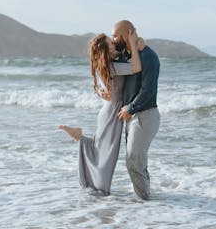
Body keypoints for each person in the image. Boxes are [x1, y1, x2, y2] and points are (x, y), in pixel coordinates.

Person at [58, 29, 144, 196]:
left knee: (103, 151)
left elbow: (106, 86)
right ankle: (81, 140)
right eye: (111, 43)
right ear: (106, 50)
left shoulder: (108, 64)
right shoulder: (113, 67)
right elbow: (137, 68)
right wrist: (133, 44)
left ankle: (81, 140)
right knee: (106, 155)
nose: (114, 42)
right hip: (111, 113)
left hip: (109, 111)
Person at [112, 20, 160, 200]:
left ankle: (145, 202)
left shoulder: (148, 56)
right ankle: (146, 202)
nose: (113, 39)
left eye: (116, 35)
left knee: (133, 160)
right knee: (138, 162)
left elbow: (148, 90)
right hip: (130, 116)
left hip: (144, 115)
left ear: (127, 35)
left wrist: (130, 109)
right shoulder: (125, 56)